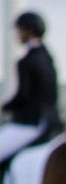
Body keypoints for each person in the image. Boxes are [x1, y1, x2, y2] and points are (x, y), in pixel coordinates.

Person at [0, 10, 60, 162]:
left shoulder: (26, 61)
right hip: (52, 120)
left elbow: (23, 95)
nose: (17, 35)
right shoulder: (47, 56)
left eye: (20, 30)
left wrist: (5, 108)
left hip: (32, 123)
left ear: (29, 31)